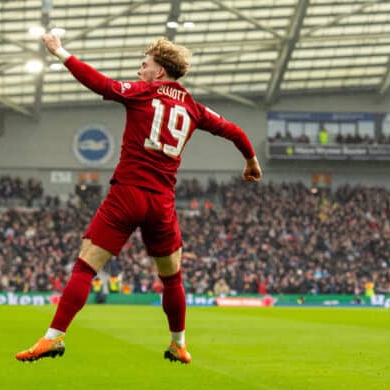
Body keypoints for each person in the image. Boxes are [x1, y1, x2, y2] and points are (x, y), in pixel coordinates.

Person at [15, 34, 262, 364]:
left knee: (86, 266)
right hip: (161, 202)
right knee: (172, 277)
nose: (138, 70)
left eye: (143, 65)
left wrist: (59, 51)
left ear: (158, 73)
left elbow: (100, 83)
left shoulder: (142, 93)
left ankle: (53, 337)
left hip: (126, 194)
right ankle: (179, 344)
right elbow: (234, 131)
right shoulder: (194, 108)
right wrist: (251, 161)